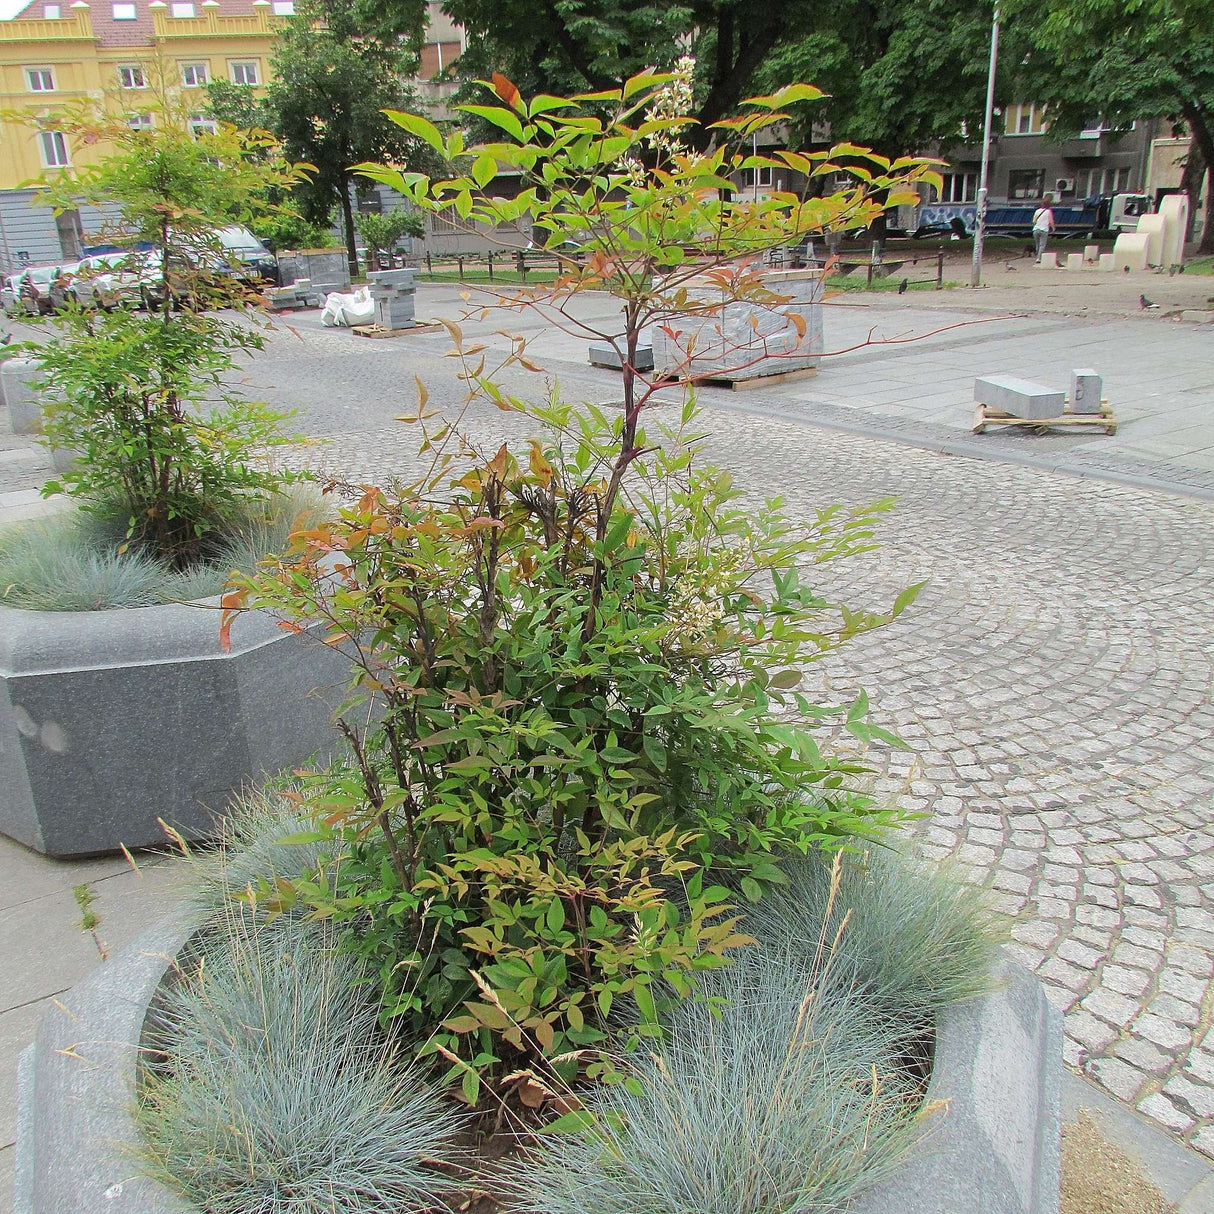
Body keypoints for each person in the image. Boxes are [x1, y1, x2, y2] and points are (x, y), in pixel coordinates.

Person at [1032, 195, 1056, 263]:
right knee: (1042, 245)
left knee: (1037, 244)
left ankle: (1037, 255)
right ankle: (1039, 258)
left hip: (1036, 230)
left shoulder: (1037, 211)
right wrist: (1053, 228)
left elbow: (1034, 221)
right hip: (1044, 230)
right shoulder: (1049, 211)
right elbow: (1051, 221)